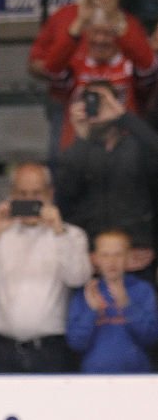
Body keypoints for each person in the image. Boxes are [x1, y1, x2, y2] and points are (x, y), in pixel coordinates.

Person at [0, 162, 92, 373]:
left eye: (36, 193)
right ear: (12, 195)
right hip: (1, 348)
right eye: (22, 193)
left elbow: (77, 277)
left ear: (50, 194)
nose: (29, 199)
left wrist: (58, 232)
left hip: (51, 349)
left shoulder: (70, 235)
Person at [28, 0, 155, 162]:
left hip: (123, 141)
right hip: (72, 117)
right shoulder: (66, 17)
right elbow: (45, 65)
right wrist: (77, 27)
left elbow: (148, 65)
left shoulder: (128, 24)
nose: (100, 39)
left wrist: (117, 22)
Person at [55, 82, 158, 279]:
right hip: (93, 257)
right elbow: (65, 197)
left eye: (104, 101)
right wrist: (81, 137)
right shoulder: (79, 150)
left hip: (138, 254)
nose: (98, 107)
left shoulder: (137, 145)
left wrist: (124, 116)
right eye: (91, 101)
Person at [67, 228, 158, 371]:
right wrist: (92, 311)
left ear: (129, 257)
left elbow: (151, 339)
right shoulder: (86, 292)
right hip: (94, 378)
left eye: (118, 255)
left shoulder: (142, 290)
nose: (112, 261)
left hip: (137, 377)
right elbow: (76, 343)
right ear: (95, 258)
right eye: (105, 255)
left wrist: (127, 305)